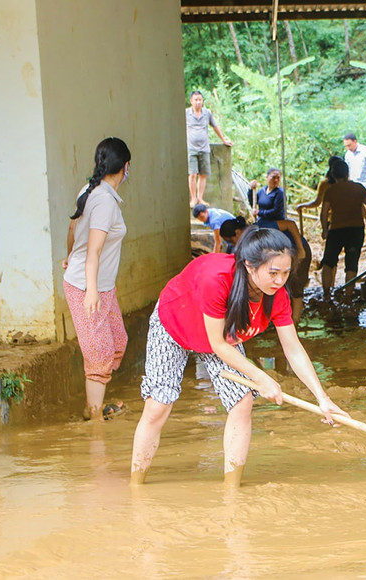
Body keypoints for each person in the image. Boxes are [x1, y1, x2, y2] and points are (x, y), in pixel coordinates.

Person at [130, 227, 349, 486]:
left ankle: (231, 491)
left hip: (221, 337)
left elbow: (292, 348)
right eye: (273, 273)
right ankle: (136, 486)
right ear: (249, 265)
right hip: (175, 324)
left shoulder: (277, 296)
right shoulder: (217, 279)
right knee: (158, 405)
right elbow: (218, 345)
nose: (279, 281)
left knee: (243, 401)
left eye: (286, 273)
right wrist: (261, 376)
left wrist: (322, 398)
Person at [62, 137, 131, 421]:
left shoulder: (92, 190)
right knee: (99, 354)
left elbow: (73, 226)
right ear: (125, 167)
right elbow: (94, 250)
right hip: (87, 287)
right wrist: (91, 291)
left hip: (101, 286)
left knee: (118, 343)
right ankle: (93, 419)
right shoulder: (103, 201)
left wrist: (69, 255)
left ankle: (96, 402)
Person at [221, 216, 311, 323]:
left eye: (231, 241)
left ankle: (295, 321)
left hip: (298, 250)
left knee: (296, 288)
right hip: (277, 260)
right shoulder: (246, 243)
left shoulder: (262, 228)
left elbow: (290, 224)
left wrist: (301, 250)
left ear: (237, 232)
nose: (232, 245)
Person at [320, 161, 366, 300]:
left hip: (336, 230)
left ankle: (326, 294)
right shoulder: (358, 188)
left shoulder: (330, 191)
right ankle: (348, 295)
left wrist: (325, 229)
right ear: (347, 173)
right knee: (351, 262)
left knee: (329, 262)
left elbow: (324, 213)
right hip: (355, 230)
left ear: (333, 175)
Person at [187, 91, 233, 208]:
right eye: (195, 100)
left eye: (200, 100)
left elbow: (215, 126)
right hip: (191, 148)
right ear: (191, 101)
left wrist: (223, 140)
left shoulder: (207, 113)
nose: (198, 102)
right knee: (192, 174)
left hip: (204, 148)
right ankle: (193, 199)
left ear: (202, 101)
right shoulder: (186, 113)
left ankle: (200, 198)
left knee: (203, 174)